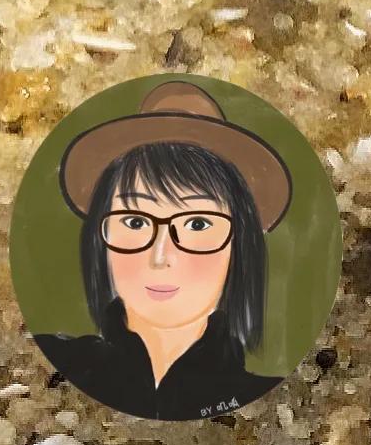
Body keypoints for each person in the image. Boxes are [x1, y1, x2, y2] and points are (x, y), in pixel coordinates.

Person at [31, 80, 291, 421]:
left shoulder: (261, 403)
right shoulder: (49, 367)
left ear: (239, 244)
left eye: (197, 224)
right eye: (136, 222)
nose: (161, 256)